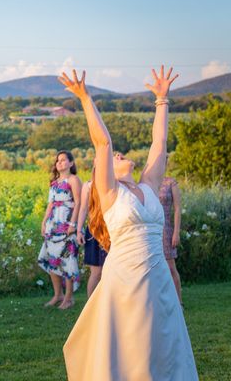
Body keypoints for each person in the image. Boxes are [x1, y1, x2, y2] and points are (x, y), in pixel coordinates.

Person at [59, 67, 198, 380]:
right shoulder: (110, 192)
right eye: (114, 157)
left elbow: (159, 143)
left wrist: (162, 100)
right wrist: (85, 98)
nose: (118, 154)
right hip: (127, 277)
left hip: (159, 276)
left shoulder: (149, 184)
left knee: (162, 342)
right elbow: (103, 143)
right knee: (132, 346)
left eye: (120, 154)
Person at [37, 151, 82, 309]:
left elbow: (78, 203)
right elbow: (50, 204)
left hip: (67, 224)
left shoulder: (74, 180)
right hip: (53, 225)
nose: (60, 163)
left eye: (63, 160)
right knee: (52, 260)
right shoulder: (54, 182)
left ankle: (69, 298)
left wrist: (73, 224)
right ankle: (58, 295)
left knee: (67, 260)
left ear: (71, 163)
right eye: (58, 161)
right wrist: (44, 223)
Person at [76, 176, 107, 298]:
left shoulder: (114, 182)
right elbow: (83, 209)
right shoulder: (88, 185)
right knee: (96, 272)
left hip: (113, 230)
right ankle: (90, 306)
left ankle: (107, 304)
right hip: (94, 230)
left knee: (111, 271)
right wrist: (79, 230)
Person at [159, 175, 183, 304]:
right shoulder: (146, 181)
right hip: (151, 230)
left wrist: (176, 232)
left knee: (171, 267)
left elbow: (178, 208)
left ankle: (179, 302)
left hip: (166, 230)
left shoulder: (170, 182)